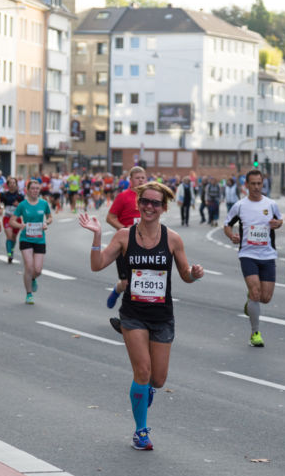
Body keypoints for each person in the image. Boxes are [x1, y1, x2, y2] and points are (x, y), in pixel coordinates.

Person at [79, 181, 204, 450]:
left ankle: (143, 394)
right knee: (143, 371)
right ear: (138, 204)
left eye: (155, 203)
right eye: (144, 201)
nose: (149, 207)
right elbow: (97, 265)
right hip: (133, 314)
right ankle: (140, 431)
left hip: (162, 316)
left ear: (163, 207)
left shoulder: (172, 239)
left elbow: (184, 275)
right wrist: (97, 235)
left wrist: (194, 273)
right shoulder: (124, 236)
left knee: (158, 379)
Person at [223, 169, 283, 347]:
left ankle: (251, 298)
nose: (257, 187)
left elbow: (279, 221)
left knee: (265, 297)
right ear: (247, 185)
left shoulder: (271, 204)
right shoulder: (240, 206)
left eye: (259, 183)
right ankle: (255, 333)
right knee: (257, 294)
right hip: (248, 254)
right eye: (253, 184)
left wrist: (276, 224)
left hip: (268, 254)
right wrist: (231, 235)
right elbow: (227, 224)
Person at [105, 166, 148, 313]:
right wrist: (124, 229)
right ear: (130, 180)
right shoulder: (123, 196)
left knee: (140, 281)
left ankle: (127, 314)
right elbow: (110, 218)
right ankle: (117, 290)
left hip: (144, 246)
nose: (141, 180)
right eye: (138, 178)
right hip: (124, 245)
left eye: (143, 177)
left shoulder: (149, 197)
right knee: (126, 283)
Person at [10, 180, 52, 304]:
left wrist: (46, 223)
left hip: (40, 239)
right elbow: (12, 221)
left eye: (37, 188)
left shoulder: (44, 203)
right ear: (27, 190)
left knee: (37, 270)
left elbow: (50, 217)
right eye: (32, 188)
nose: (35, 191)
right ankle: (29, 294)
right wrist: (20, 225)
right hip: (26, 239)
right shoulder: (22, 205)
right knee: (29, 266)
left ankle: (33, 278)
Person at [0, 177, 24, 264]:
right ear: (8, 184)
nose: (12, 184)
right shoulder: (4, 195)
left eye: (14, 183)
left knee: (13, 237)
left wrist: (19, 205)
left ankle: (12, 250)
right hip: (7, 218)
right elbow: (0, 204)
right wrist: (0, 209)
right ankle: (9, 254)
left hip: (17, 219)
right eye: (10, 183)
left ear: (16, 185)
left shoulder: (20, 196)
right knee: (9, 236)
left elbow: (24, 207)